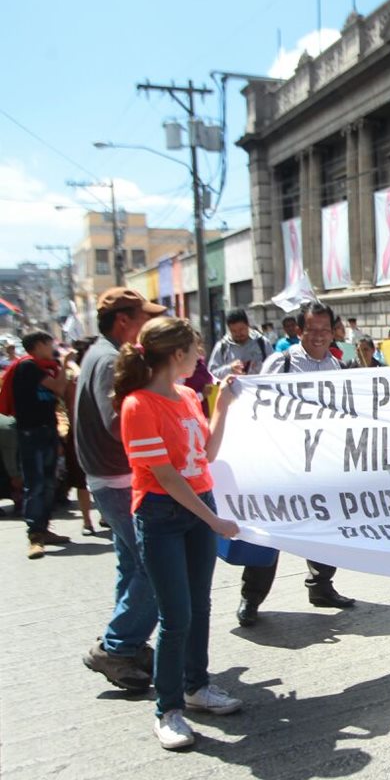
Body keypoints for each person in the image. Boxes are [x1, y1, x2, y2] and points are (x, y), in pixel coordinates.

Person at [113, 316, 242, 749]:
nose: (201, 356)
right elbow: (166, 477)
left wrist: (221, 407)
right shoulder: (138, 405)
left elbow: (204, 455)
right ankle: (168, 709)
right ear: (177, 354)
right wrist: (214, 521)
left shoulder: (188, 395)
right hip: (163, 514)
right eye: (196, 349)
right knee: (176, 616)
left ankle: (197, 685)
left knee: (200, 607)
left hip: (198, 507)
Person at [238, 300, 355, 626]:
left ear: (333, 332)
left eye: (325, 330)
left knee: (327, 529)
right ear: (300, 331)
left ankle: (321, 586)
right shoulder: (282, 362)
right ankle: (251, 598)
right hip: (283, 465)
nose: (319, 336)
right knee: (269, 534)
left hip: (322, 466)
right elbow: (256, 406)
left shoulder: (336, 366)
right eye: (312, 330)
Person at [76, 287, 164, 691]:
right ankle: (117, 646)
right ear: (124, 321)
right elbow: (119, 424)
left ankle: (126, 642)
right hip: (117, 479)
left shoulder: (103, 353)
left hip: (111, 478)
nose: (148, 324)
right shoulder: (111, 358)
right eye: (143, 317)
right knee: (153, 565)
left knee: (132, 564)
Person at [11, 331, 69, 558]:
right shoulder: (29, 367)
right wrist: (64, 363)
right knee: (35, 484)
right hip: (31, 433)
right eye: (49, 343)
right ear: (37, 345)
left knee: (48, 482)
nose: (52, 346)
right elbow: (59, 387)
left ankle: (44, 529)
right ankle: (35, 535)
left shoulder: (42, 366)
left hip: (47, 431)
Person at [63, 337, 99, 535]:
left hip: (98, 431)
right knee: (81, 479)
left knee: (103, 477)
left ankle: (103, 516)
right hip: (78, 432)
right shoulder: (72, 376)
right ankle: (87, 521)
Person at [208, 309, 271, 378]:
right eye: (233, 331)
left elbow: (275, 367)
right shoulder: (222, 347)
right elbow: (211, 374)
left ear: (248, 325)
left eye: (241, 329)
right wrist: (229, 369)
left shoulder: (262, 343)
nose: (238, 334)